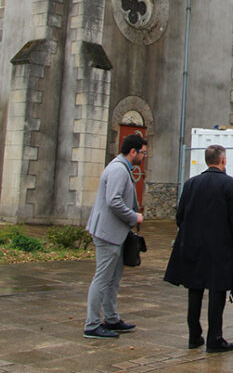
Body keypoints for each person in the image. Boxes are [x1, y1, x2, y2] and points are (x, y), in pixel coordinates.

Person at [164, 144, 233, 353]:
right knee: (217, 291)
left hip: (193, 244)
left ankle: (194, 335)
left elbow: (180, 216)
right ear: (222, 161)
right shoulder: (229, 184)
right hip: (219, 246)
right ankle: (214, 338)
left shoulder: (191, 183)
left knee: (194, 289)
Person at [83, 134, 146, 339]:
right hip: (108, 233)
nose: (144, 157)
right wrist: (134, 216)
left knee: (113, 279)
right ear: (133, 151)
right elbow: (114, 201)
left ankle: (111, 318)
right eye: (143, 153)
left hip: (115, 233)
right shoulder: (119, 169)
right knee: (102, 278)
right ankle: (92, 324)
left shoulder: (120, 167)